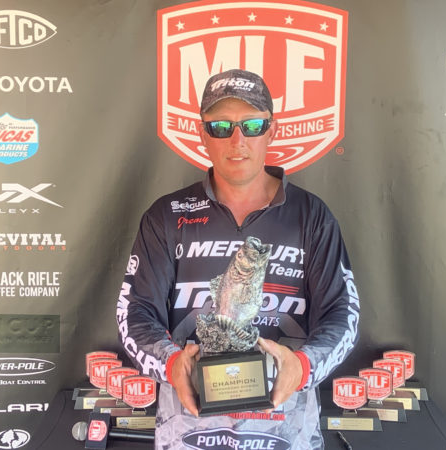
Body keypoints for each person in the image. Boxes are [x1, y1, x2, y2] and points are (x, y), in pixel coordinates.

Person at [116, 69, 360, 449]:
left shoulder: (312, 216)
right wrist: (171, 363)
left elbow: (342, 315)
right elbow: (136, 313)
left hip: (286, 428)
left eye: (252, 125)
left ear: (272, 130)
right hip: (190, 429)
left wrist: (302, 366)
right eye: (221, 127)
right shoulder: (167, 216)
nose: (237, 140)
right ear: (202, 133)